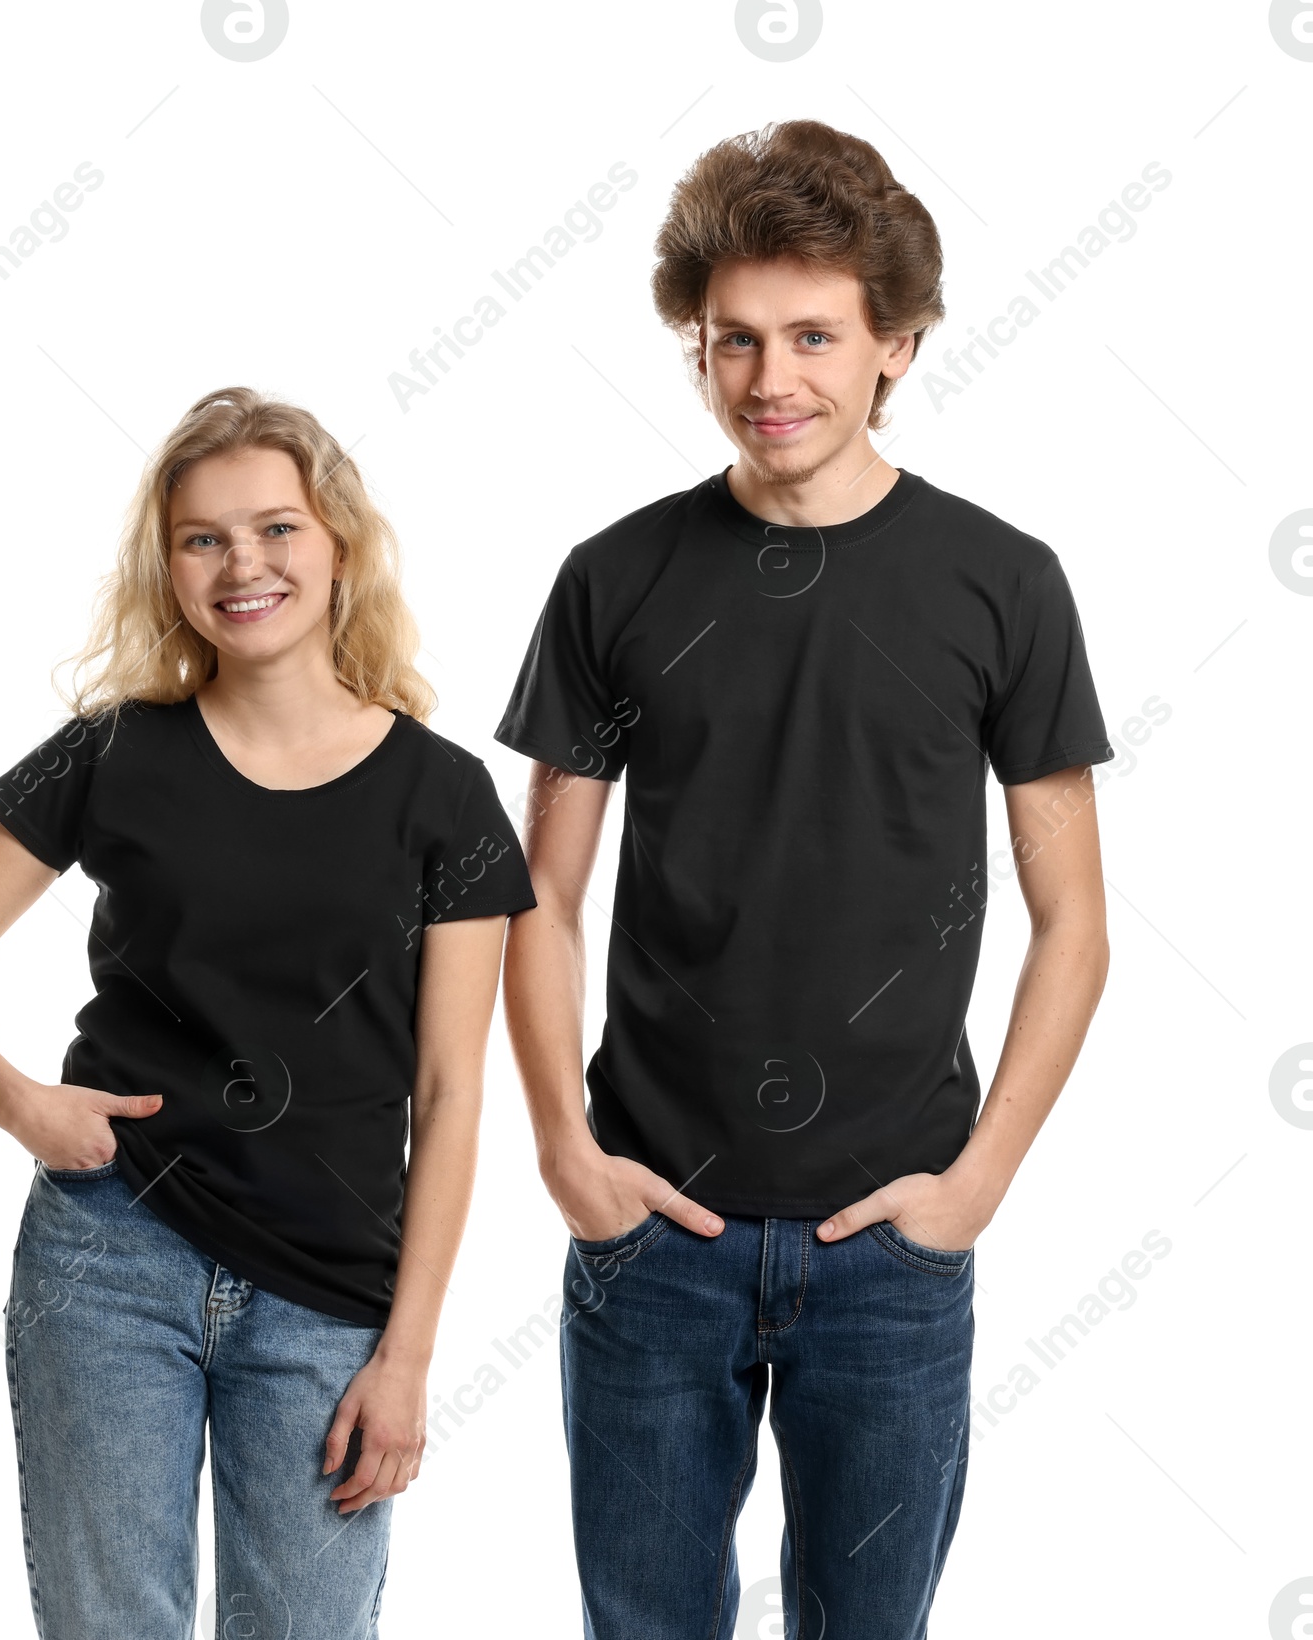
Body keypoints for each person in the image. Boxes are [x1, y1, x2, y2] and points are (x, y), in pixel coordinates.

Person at [494, 120, 1113, 1640]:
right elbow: (537, 897)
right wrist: (571, 1157)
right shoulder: (616, 579)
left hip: (892, 1244)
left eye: (817, 336)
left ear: (898, 343)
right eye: (736, 340)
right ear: (694, 348)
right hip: (655, 1235)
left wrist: (975, 1188)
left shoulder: (1001, 583)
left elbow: (1075, 922)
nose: (774, 379)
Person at [0, 386, 536, 1639]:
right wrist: (23, 1102)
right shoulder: (112, 753)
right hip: (111, 1253)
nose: (246, 564)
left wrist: (407, 1355)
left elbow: (451, 1094)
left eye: (277, 528)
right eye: (204, 538)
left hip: (330, 1289)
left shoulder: (443, 797)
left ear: (338, 541)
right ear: (169, 567)